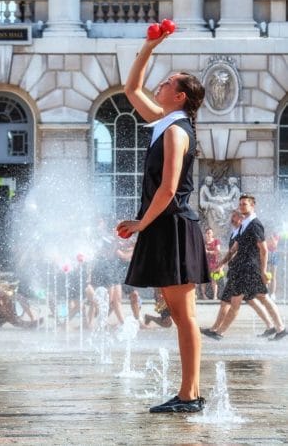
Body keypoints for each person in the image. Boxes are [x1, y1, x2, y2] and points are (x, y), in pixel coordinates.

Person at [116, 32, 209, 413]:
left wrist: (140, 224)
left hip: (172, 226)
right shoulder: (164, 121)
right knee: (180, 315)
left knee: (185, 317)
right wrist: (149, 47)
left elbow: (169, 189)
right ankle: (190, 393)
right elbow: (130, 86)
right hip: (166, 227)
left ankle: (190, 395)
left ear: (181, 96)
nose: (162, 82)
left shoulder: (173, 130)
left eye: (169, 81)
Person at [201, 195, 286, 341]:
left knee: (236, 302)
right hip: (243, 268)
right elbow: (234, 248)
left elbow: (264, 249)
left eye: (245, 204)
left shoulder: (255, 224)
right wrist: (221, 264)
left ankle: (219, 332)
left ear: (253, 206)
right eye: (240, 204)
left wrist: (264, 271)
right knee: (262, 298)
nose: (241, 206)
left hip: (249, 269)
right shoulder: (245, 225)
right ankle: (280, 329)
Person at [200, 227, 221, 299]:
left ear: (212, 234)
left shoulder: (216, 241)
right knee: (204, 280)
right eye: (207, 233)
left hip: (214, 263)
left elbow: (218, 251)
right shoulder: (203, 242)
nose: (208, 234)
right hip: (205, 263)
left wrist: (208, 252)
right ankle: (203, 295)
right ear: (205, 234)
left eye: (210, 233)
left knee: (213, 279)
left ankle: (215, 296)